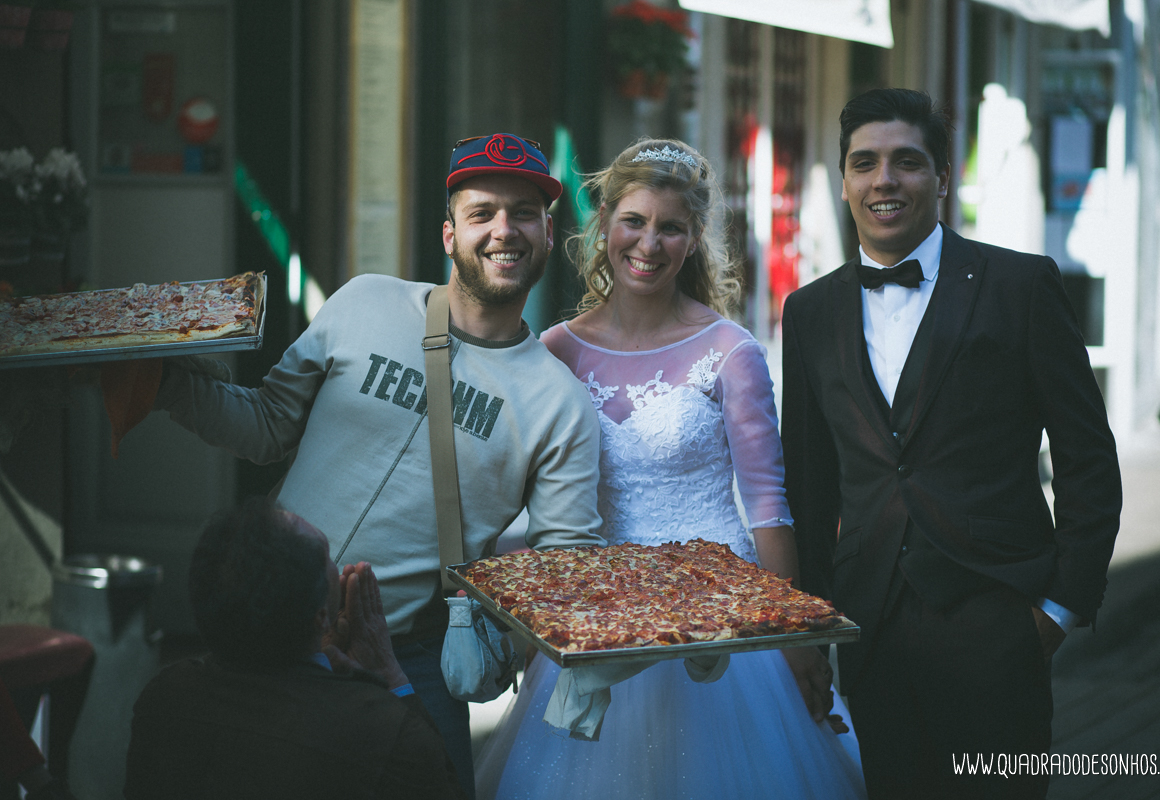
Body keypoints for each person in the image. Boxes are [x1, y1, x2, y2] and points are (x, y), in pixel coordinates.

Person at [153, 133, 606, 798]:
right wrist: (159, 382)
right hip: (264, 634)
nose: (504, 230)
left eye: (525, 212)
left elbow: (560, 572)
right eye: (482, 213)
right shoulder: (364, 301)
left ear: (546, 232)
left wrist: (493, 650)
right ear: (449, 234)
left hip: (404, 660)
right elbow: (267, 423)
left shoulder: (561, 404)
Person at [474, 139, 867, 800]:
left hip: (719, 630)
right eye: (635, 221)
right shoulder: (555, 352)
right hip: (599, 624)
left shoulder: (729, 352)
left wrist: (796, 639)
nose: (648, 243)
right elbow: (520, 493)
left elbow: (769, 510)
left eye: (671, 228)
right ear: (603, 227)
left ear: (693, 242)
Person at [780, 88, 1122, 798]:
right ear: (843, 179)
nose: (884, 180)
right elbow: (808, 485)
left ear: (941, 178)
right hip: (868, 625)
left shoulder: (1021, 285)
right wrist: (810, 625)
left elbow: (1088, 458)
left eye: (907, 162)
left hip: (999, 618)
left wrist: (1059, 608)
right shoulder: (809, 311)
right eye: (864, 162)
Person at [124, 498, 465, 799]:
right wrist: (390, 675)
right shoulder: (381, 730)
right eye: (329, 557)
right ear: (320, 616)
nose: (336, 564)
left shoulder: (164, 698)